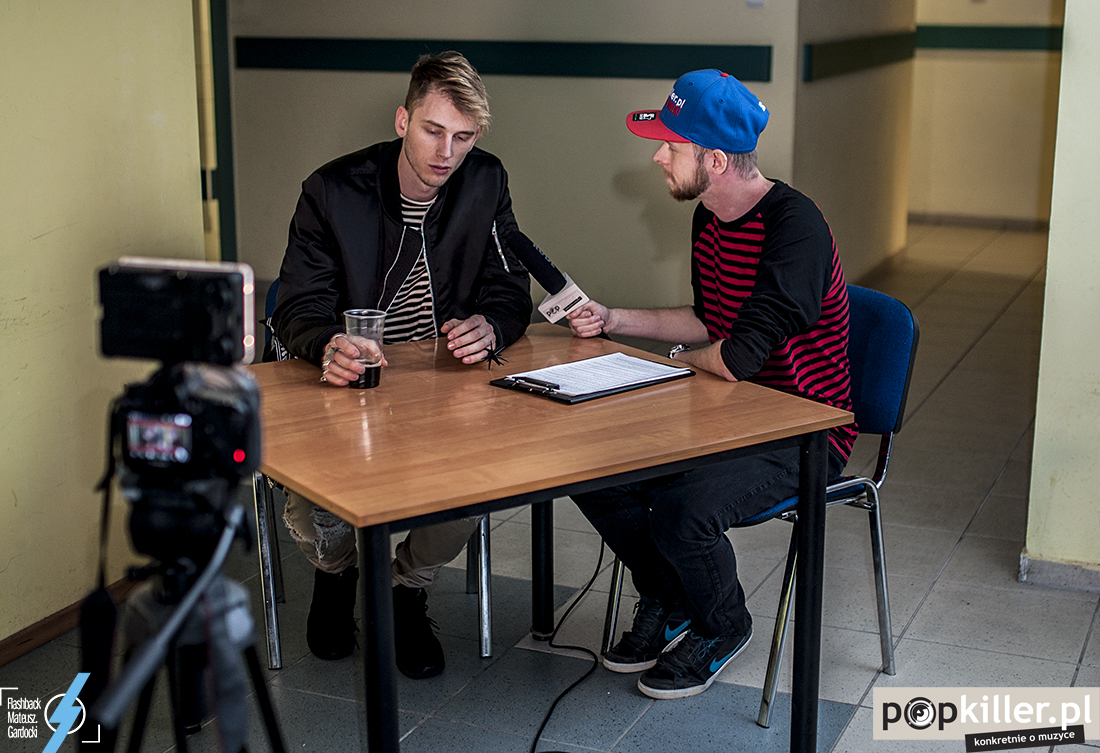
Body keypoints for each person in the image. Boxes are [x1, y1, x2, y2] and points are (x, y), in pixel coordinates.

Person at [566, 69, 857, 700]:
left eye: (671, 146)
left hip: (803, 429)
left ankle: (722, 625)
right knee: (594, 471)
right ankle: (671, 597)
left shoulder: (796, 228)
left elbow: (735, 357)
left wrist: (675, 359)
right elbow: (710, 321)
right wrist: (614, 319)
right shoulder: (711, 216)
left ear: (716, 161)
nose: (658, 156)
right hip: (729, 413)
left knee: (682, 510)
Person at [270, 51, 533, 678]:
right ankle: (337, 574)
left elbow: (509, 286)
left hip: (439, 384)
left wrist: (492, 324)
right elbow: (297, 305)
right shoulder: (332, 190)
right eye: (433, 131)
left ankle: (404, 589)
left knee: (473, 485)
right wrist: (327, 344)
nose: (446, 152)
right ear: (402, 121)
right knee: (313, 511)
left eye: (463, 137)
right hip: (346, 383)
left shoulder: (486, 181)